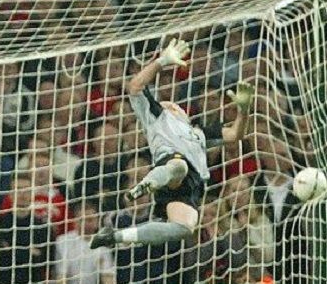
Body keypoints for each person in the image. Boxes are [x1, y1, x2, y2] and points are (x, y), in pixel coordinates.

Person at [91, 39, 253, 249]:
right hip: (171, 164)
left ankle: (115, 236)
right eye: (167, 105)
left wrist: (243, 111)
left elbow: (234, 135)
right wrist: (162, 61)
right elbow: (135, 86)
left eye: (175, 105)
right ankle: (143, 186)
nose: (170, 105)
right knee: (179, 166)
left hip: (191, 187)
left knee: (184, 228)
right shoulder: (159, 117)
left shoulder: (199, 132)